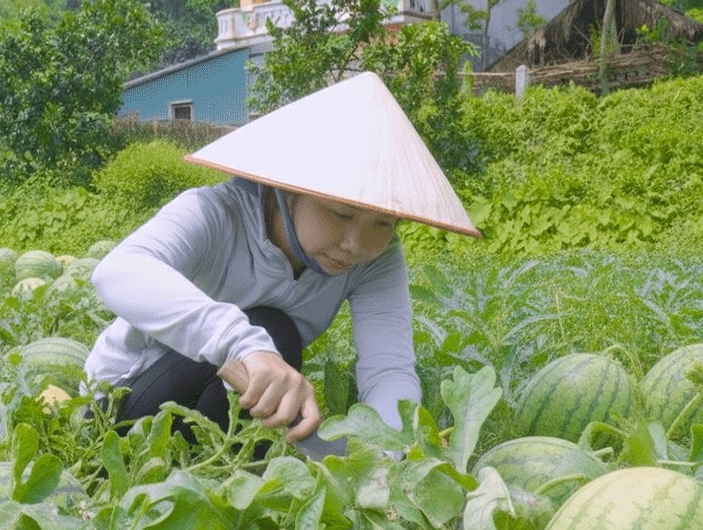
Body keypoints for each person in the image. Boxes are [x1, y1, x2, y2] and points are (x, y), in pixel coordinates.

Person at [84, 72, 479, 448]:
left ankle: (230, 482)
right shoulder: (214, 213)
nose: (356, 243)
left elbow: (389, 369)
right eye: (340, 214)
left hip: (217, 404)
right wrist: (244, 343)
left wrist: (390, 451)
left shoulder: (376, 259)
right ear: (289, 190)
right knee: (272, 330)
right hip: (120, 404)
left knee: (277, 338)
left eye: (383, 223)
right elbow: (119, 271)